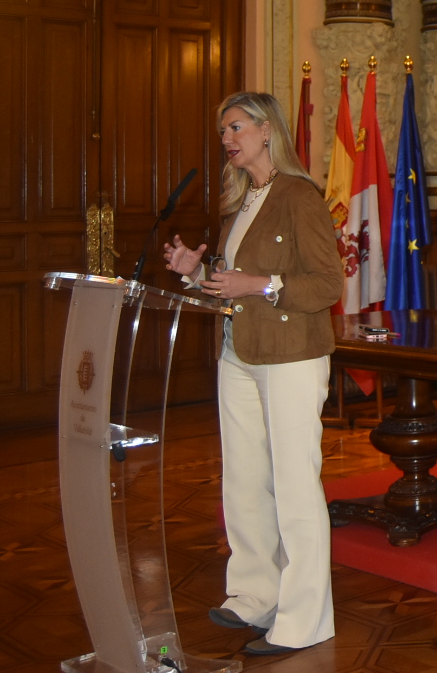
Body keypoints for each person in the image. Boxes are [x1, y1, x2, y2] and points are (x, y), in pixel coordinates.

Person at [163, 91, 342, 656]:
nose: (227, 139)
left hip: (291, 356)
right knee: (243, 482)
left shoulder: (298, 195)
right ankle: (255, 595)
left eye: (236, 127)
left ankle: (305, 619)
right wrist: (196, 274)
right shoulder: (240, 202)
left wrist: (260, 284)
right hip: (239, 354)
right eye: (223, 132)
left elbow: (328, 284)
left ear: (268, 130)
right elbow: (231, 286)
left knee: (294, 487)